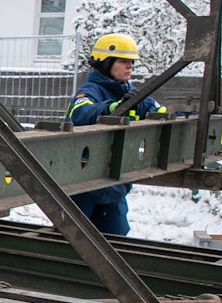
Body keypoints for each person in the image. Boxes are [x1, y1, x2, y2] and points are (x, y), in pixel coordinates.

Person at [66, 33, 164, 235]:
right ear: (105, 63)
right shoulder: (90, 91)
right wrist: (112, 108)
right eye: (123, 61)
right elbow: (79, 114)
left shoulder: (132, 93)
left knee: (117, 239)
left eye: (131, 62)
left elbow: (160, 112)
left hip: (115, 185)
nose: (130, 66)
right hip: (84, 185)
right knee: (74, 238)